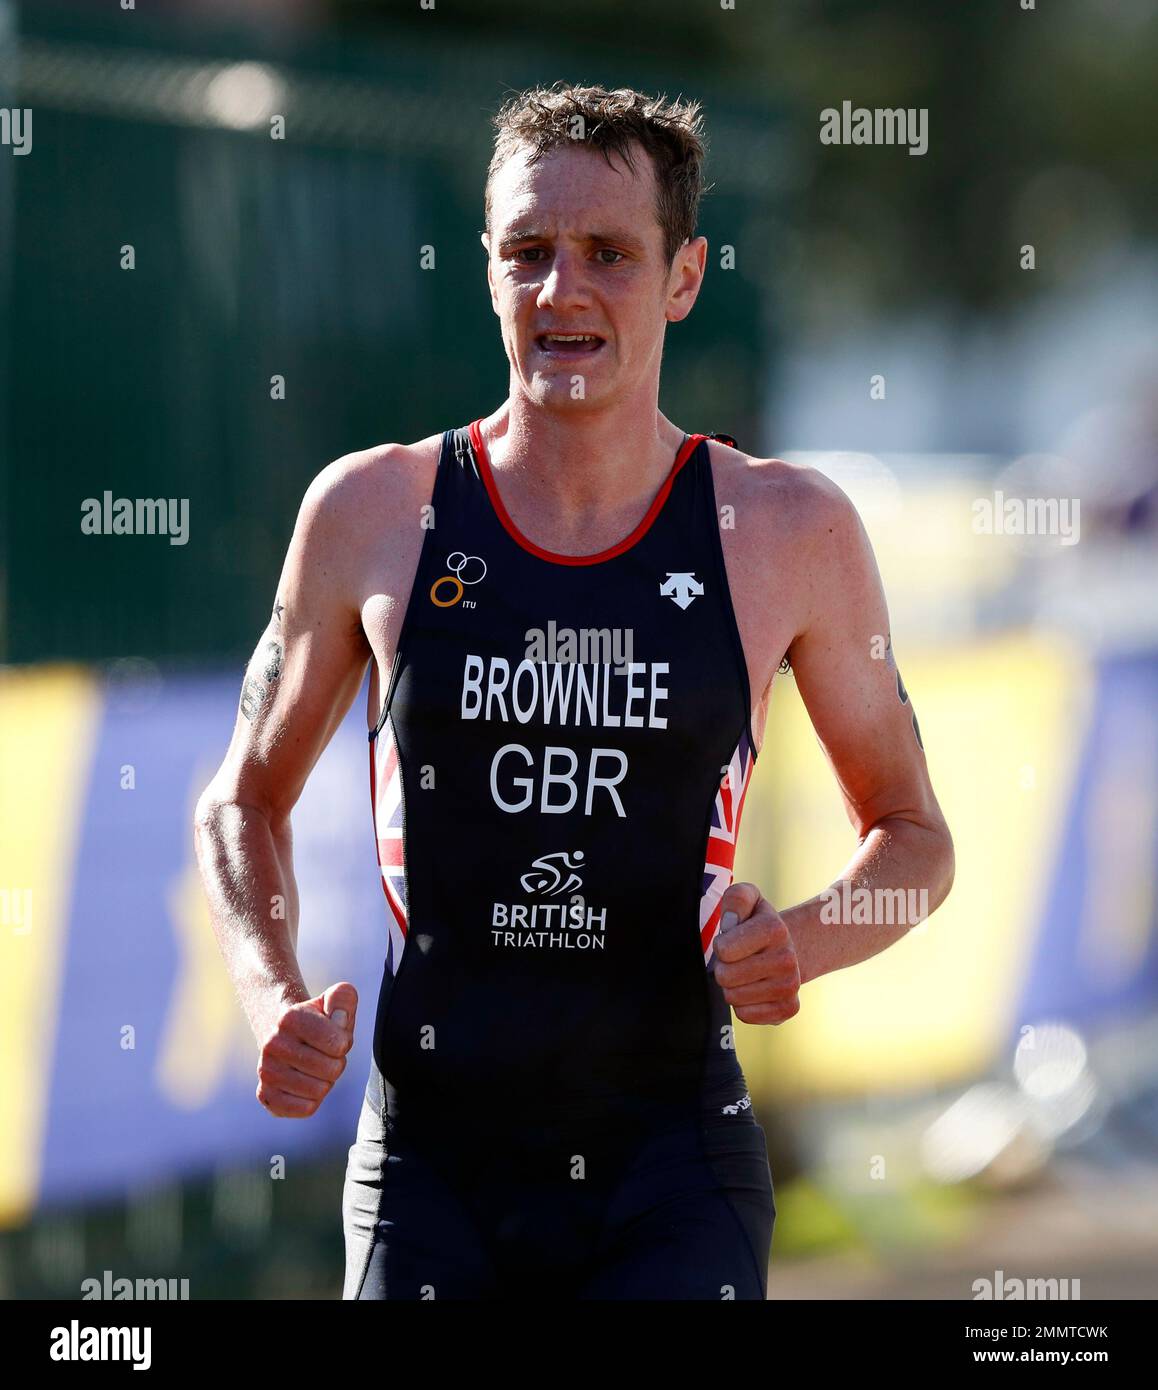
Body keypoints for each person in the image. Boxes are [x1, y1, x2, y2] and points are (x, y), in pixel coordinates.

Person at [193, 82, 954, 1301]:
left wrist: (802, 946)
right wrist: (268, 990)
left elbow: (916, 840)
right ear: (488, 271)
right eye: (530, 254)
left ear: (686, 277)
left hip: (672, 1167)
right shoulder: (372, 512)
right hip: (431, 1169)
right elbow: (241, 803)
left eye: (609, 254)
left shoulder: (786, 531)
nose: (564, 292)